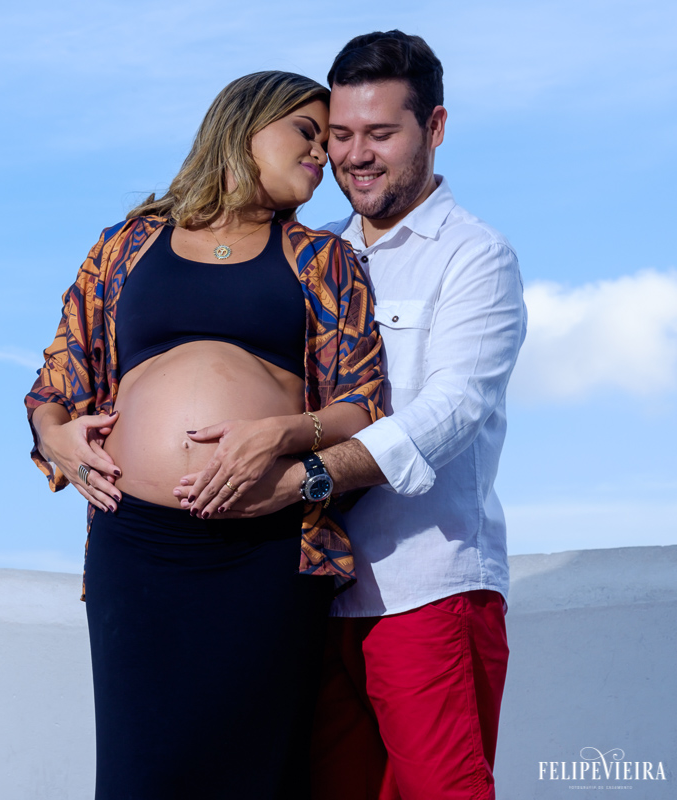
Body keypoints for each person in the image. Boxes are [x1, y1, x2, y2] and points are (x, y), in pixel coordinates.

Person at [175, 32, 528, 800]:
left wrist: (302, 477)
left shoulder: (474, 256)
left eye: (381, 134)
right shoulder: (311, 253)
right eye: (339, 135)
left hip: (424, 590)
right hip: (309, 593)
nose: (355, 156)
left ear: (433, 128)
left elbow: (454, 406)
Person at [23, 71, 385, 798]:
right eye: (307, 133)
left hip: (267, 547)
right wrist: (55, 437)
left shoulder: (324, 261)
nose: (324, 154)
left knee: (258, 771)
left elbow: (362, 407)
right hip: (138, 547)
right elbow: (55, 382)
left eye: (329, 140)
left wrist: (281, 433)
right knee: (140, 772)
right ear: (243, 127)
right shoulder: (126, 246)